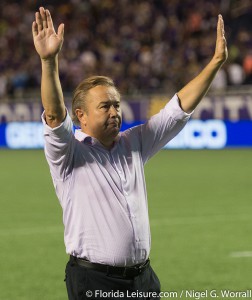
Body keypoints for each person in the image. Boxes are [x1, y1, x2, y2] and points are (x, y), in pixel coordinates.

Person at [32, 7, 227, 300]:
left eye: (116, 105)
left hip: (143, 280)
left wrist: (215, 62)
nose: (114, 112)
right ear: (81, 116)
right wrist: (49, 61)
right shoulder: (68, 154)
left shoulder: (133, 142)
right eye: (105, 106)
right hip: (94, 281)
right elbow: (55, 113)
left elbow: (177, 110)